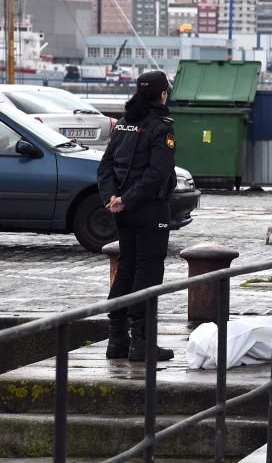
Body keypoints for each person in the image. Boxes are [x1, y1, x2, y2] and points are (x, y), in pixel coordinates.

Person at [98, 70, 177, 362]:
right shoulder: (161, 126)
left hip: (123, 212)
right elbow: (157, 174)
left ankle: (117, 338)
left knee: (127, 267)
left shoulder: (123, 124)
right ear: (162, 94)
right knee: (149, 270)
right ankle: (142, 342)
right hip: (149, 209)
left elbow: (105, 167)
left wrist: (112, 199)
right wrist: (128, 200)